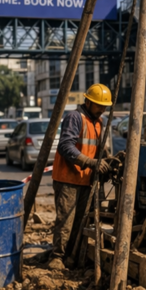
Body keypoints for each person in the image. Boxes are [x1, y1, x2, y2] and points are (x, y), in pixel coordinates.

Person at [50, 83, 113, 270]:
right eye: (99, 105)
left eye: (104, 106)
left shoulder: (100, 122)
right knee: (66, 221)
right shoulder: (74, 118)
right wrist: (90, 162)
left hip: (86, 180)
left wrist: (108, 161)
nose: (102, 109)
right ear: (88, 101)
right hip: (67, 179)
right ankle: (57, 258)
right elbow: (65, 146)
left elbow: (100, 149)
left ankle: (73, 256)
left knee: (82, 220)